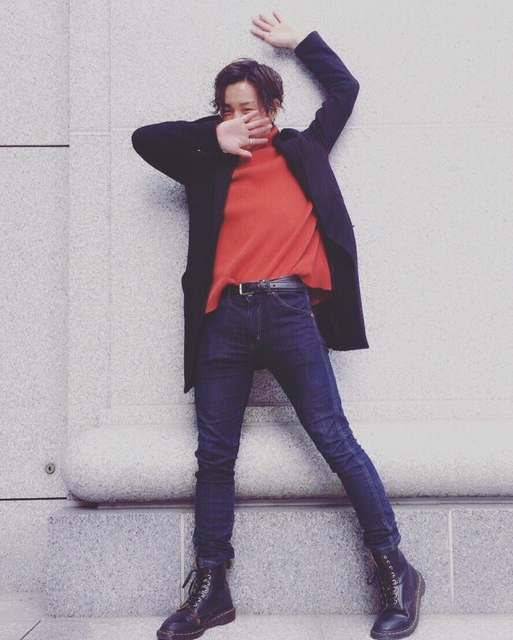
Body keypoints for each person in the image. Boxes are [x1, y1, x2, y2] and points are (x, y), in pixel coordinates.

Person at [131, 12, 425, 640]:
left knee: (335, 440)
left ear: (273, 108)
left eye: (250, 108)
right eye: (229, 109)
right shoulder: (207, 163)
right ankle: (211, 589)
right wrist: (213, 136)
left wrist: (303, 44)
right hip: (224, 320)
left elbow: (345, 89)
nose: (241, 118)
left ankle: (394, 568)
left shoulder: (303, 150)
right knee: (214, 457)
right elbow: (144, 139)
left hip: (291, 312)